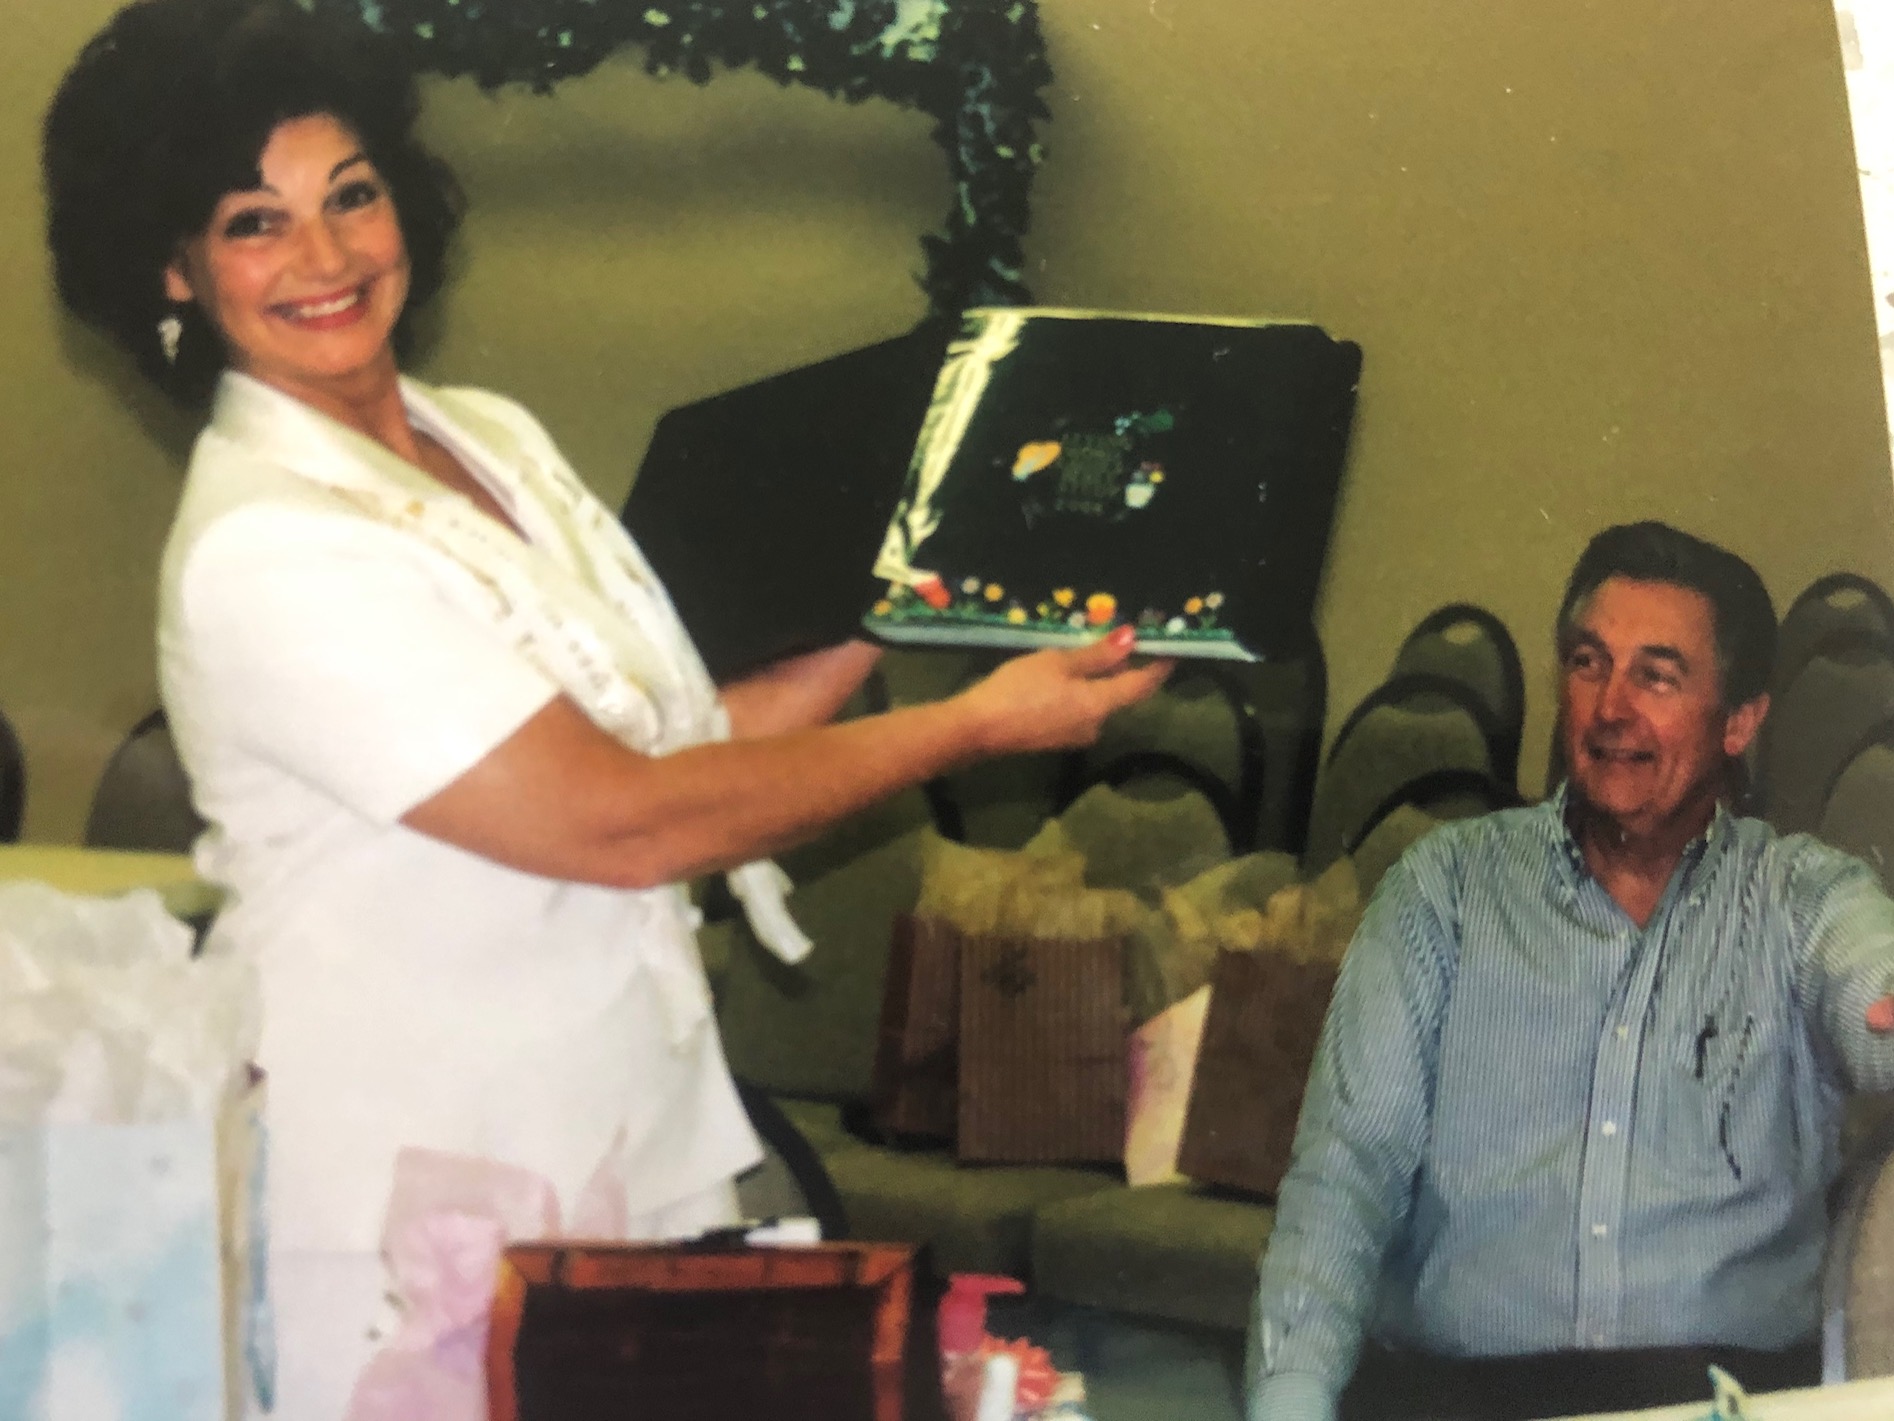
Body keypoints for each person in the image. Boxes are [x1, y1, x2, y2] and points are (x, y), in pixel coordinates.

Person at [41, 2, 1170, 1415]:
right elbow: (621, 821)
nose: (326, 258)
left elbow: (679, 749)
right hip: (416, 1208)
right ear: (173, 267)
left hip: (630, 1145)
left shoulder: (486, 434)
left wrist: (917, 608)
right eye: (254, 222)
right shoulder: (264, 545)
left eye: (352, 194)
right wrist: (967, 727)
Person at [1248, 522, 1894, 1421]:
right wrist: (1289, 1404)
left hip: (1716, 1396)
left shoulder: (1802, 897)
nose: (1610, 707)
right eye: (1590, 663)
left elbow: (1875, 996)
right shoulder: (1447, 888)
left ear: (1740, 720)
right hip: (1464, 1397)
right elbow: (1344, 1172)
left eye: (1657, 676)